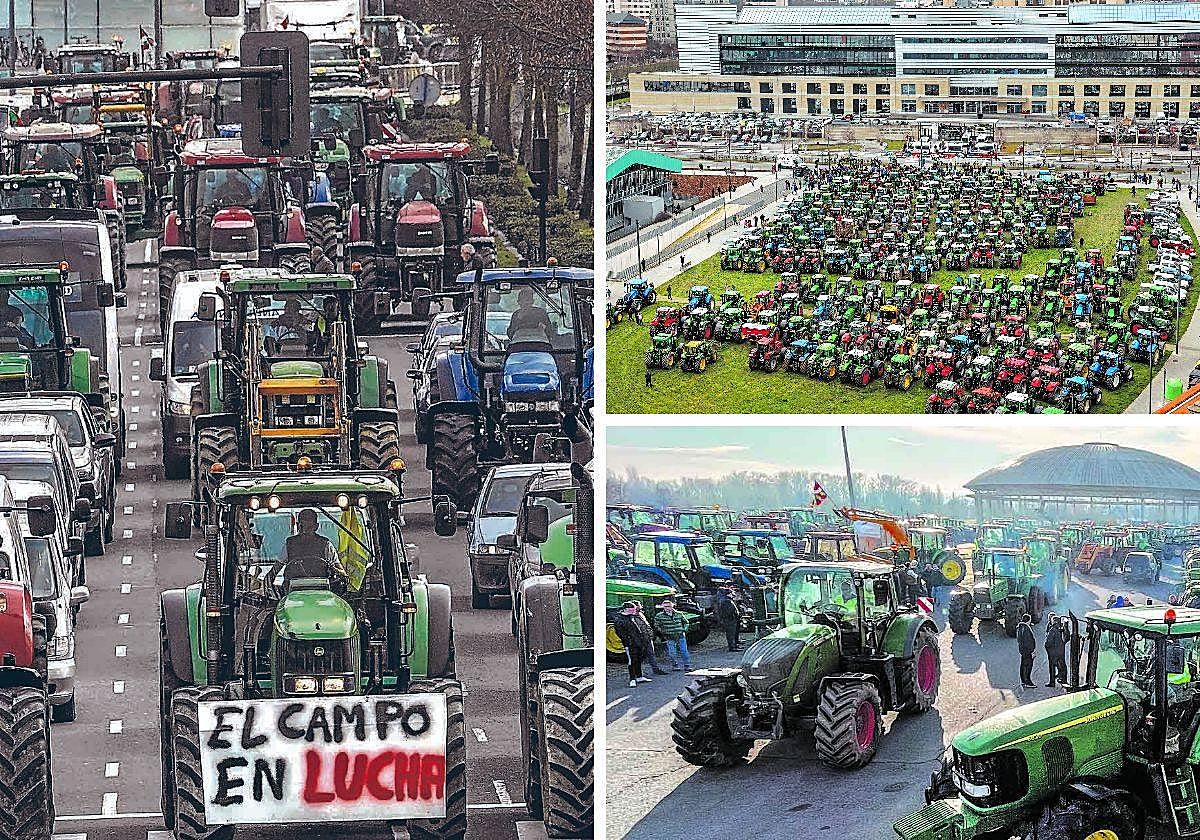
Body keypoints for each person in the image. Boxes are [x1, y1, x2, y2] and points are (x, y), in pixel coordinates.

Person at [275, 509, 343, 590]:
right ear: (297, 525)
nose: (304, 531)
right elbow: (274, 570)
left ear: (316, 527)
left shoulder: (326, 545)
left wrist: (333, 569)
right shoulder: (289, 544)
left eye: (309, 527)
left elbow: (342, 573)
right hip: (293, 592)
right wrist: (265, 586)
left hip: (322, 592)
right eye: (302, 527)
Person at [654, 598, 691, 671]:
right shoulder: (659, 616)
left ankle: (687, 665)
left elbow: (686, 622)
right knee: (672, 653)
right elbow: (656, 625)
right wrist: (663, 631)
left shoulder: (679, 614)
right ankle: (675, 665)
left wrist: (684, 629)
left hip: (680, 635)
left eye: (669, 606)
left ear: (672, 606)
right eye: (665, 606)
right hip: (669, 636)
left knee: (684, 651)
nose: (667, 608)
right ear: (663, 607)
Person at [1044, 614, 1069, 687]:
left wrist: (1047, 648)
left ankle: (1052, 683)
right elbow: (1067, 638)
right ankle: (1064, 680)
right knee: (1062, 666)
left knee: (1052, 668)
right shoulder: (1062, 628)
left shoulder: (1052, 630)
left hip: (1053, 653)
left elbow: (1048, 642)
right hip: (1061, 651)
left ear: (1053, 621)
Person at [715, 585, 741, 652]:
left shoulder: (726, 600)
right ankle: (732, 647)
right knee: (730, 634)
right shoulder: (726, 601)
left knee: (732, 633)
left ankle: (733, 645)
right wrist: (735, 615)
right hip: (730, 620)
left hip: (730, 619)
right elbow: (729, 612)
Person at [1017, 612, 1036, 688]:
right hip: (1027, 652)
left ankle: (1023, 681)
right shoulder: (1026, 629)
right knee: (1028, 667)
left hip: (1022, 651)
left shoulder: (1019, 627)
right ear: (1028, 620)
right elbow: (1028, 642)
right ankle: (1028, 682)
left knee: (1023, 666)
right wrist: (1032, 652)